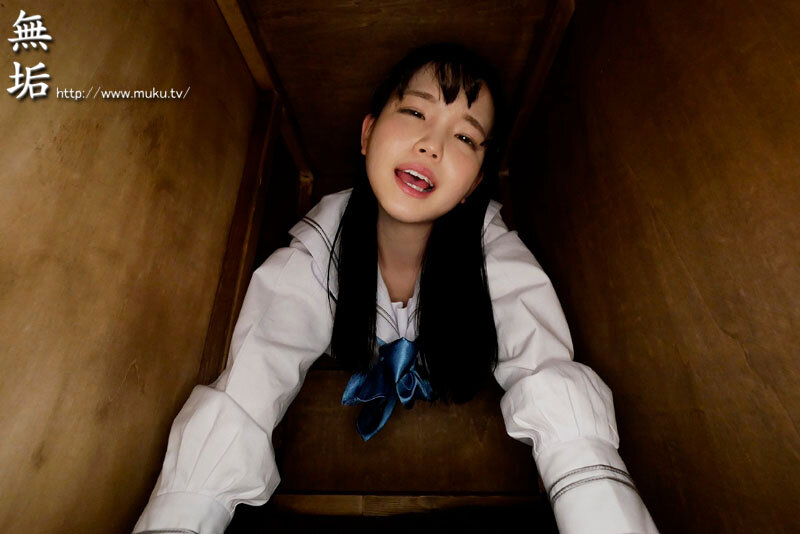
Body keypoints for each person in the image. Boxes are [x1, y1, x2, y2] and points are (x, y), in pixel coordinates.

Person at [133, 43, 658, 534]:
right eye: (414, 112)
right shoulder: (316, 251)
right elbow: (248, 387)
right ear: (367, 134)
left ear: (475, 183)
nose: (432, 145)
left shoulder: (493, 250)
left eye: (465, 137)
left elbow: (549, 376)